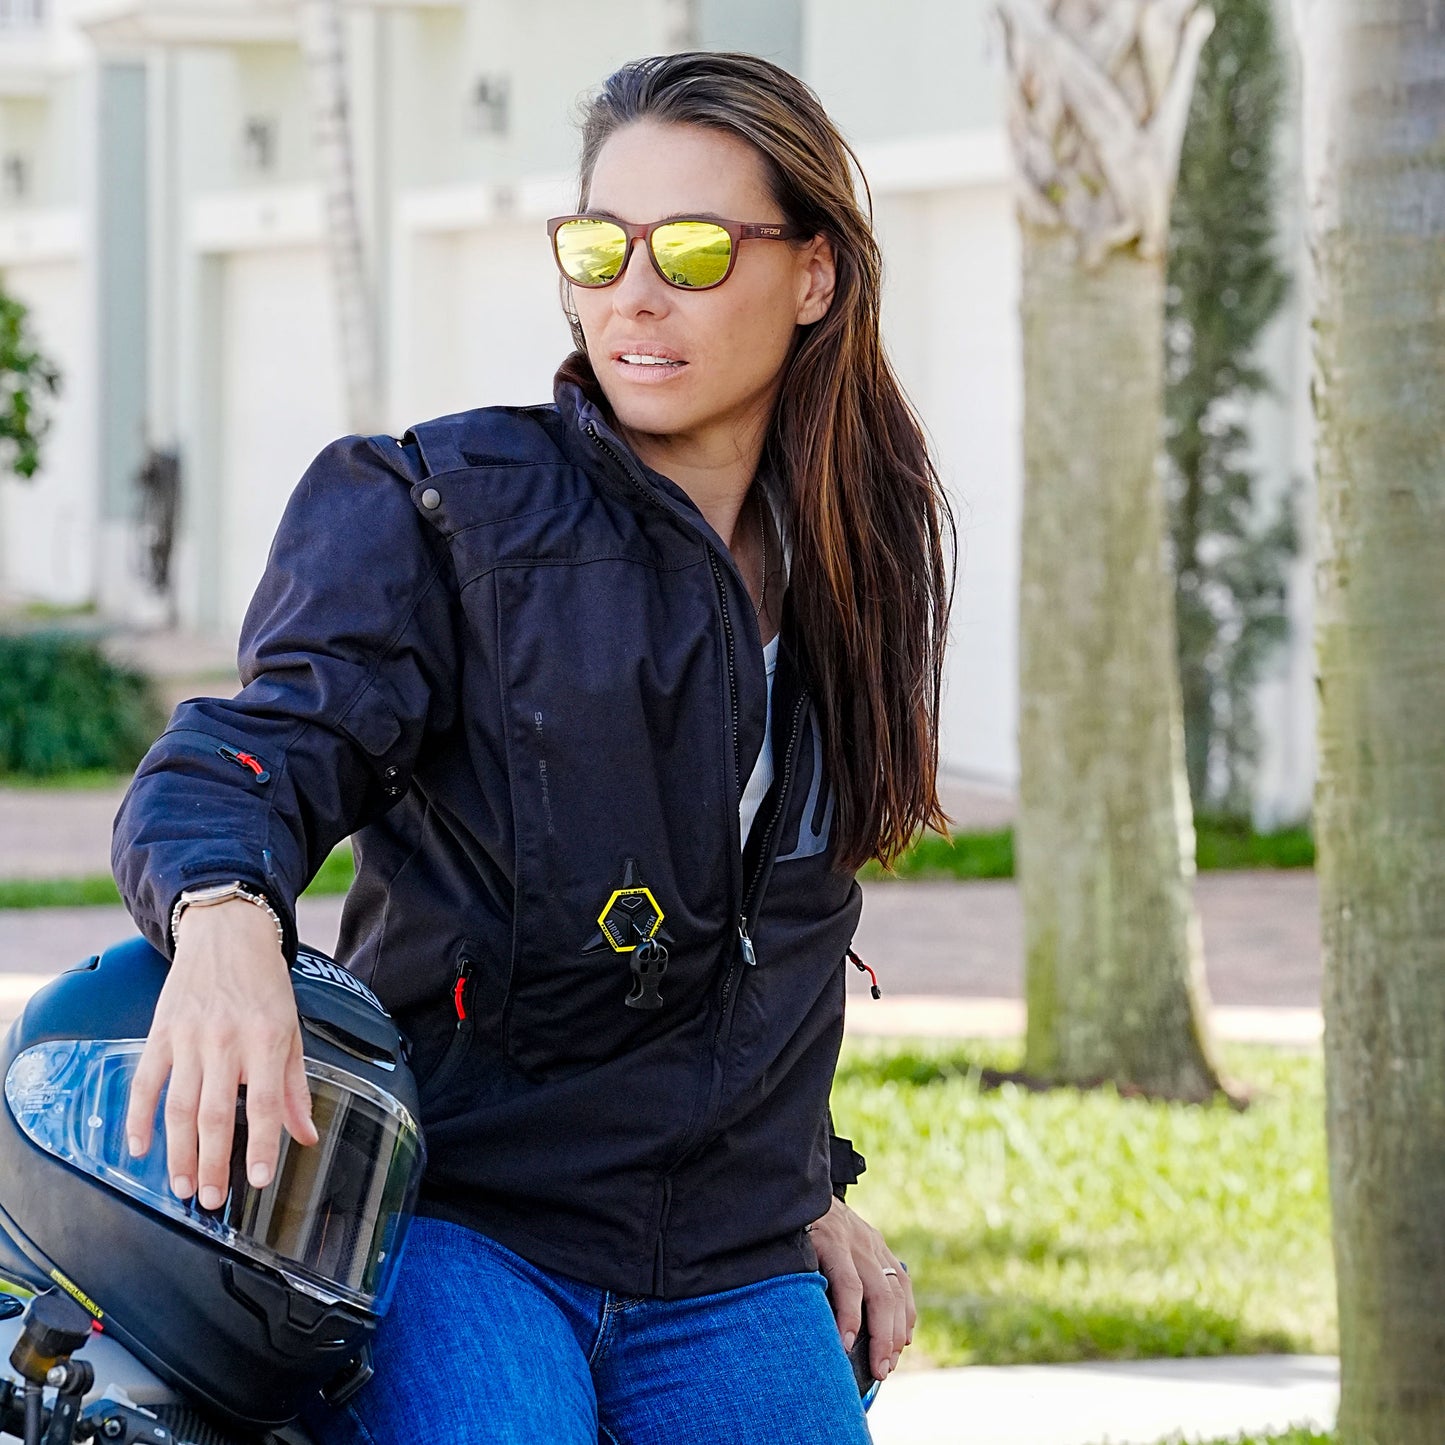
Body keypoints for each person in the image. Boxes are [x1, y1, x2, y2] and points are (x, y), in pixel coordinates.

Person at [113, 50, 954, 1443]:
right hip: (471, 1226)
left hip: (723, 1259)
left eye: (690, 249)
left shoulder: (854, 565)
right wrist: (221, 922)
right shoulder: (440, 514)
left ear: (814, 275)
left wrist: (804, 1184)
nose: (631, 291)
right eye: (597, 244)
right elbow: (244, 751)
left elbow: (779, 931)